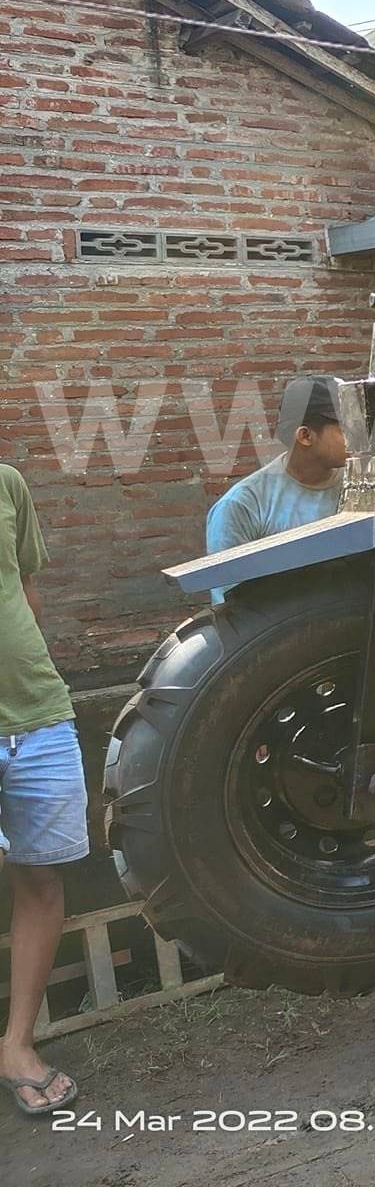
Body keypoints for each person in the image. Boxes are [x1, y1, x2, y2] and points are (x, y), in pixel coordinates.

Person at [0, 463, 87, 1117]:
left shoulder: (7, 484)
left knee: (42, 879)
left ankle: (17, 1045)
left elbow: (24, 589)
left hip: (36, 714)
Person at [205, 377, 348, 559]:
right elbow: (229, 584)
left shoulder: (367, 485)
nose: (359, 434)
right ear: (305, 436)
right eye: (346, 427)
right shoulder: (242, 506)